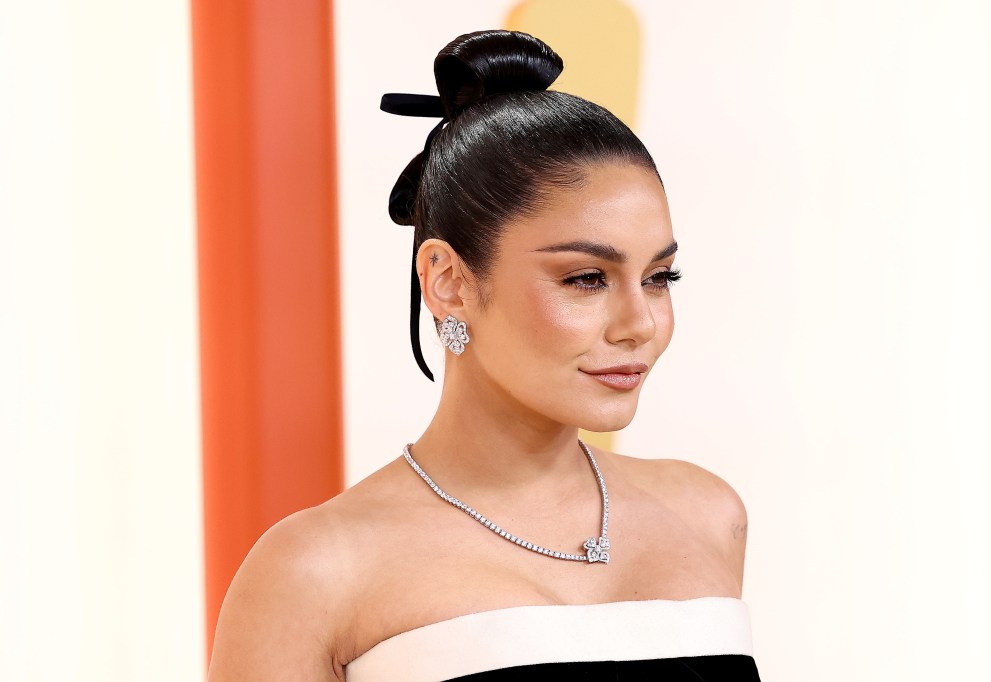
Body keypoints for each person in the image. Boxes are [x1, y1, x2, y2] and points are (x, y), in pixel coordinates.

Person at [208, 29, 759, 681]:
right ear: (448, 282)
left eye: (659, 278)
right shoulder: (317, 570)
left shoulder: (708, 514)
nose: (640, 324)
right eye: (586, 278)